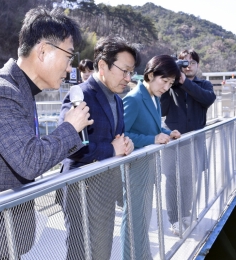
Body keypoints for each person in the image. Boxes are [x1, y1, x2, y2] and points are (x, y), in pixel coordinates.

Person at [0, 7, 93, 259]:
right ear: (43, 50)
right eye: (68, 57)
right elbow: (29, 161)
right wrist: (70, 128)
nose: (69, 68)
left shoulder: (19, 89)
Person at [59, 35, 139, 260]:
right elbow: (69, 146)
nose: (128, 78)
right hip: (81, 190)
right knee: (80, 250)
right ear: (102, 65)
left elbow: (116, 139)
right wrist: (111, 150)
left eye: (131, 72)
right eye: (124, 71)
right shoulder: (79, 94)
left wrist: (126, 144)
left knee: (103, 247)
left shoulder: (117, 99)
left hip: (106, 187)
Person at [121, 55, 181, 259]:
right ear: (151, 74)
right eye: (164, 81)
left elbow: (154, 126)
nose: (166, 87)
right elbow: (122, 135)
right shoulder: (134, 98)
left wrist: (167, 132)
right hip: (134, 168)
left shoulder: (154, 98)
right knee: (133, 220)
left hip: (147, 168)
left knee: (143, 219)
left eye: (171, 84)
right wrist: (152, 139)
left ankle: (142, 255)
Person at [160, 49, 216, 235]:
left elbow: (208, 100)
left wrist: (184, 82)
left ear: (198, 65)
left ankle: (186, 215)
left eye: (192, 62)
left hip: (193, 141)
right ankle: (174, 219)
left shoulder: (204, 84)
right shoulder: (170, 85)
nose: (188, 66)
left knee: (189, 179)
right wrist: (169, 83)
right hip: (173, 141)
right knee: (171, 179)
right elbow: (161, 110)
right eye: (183, 62)